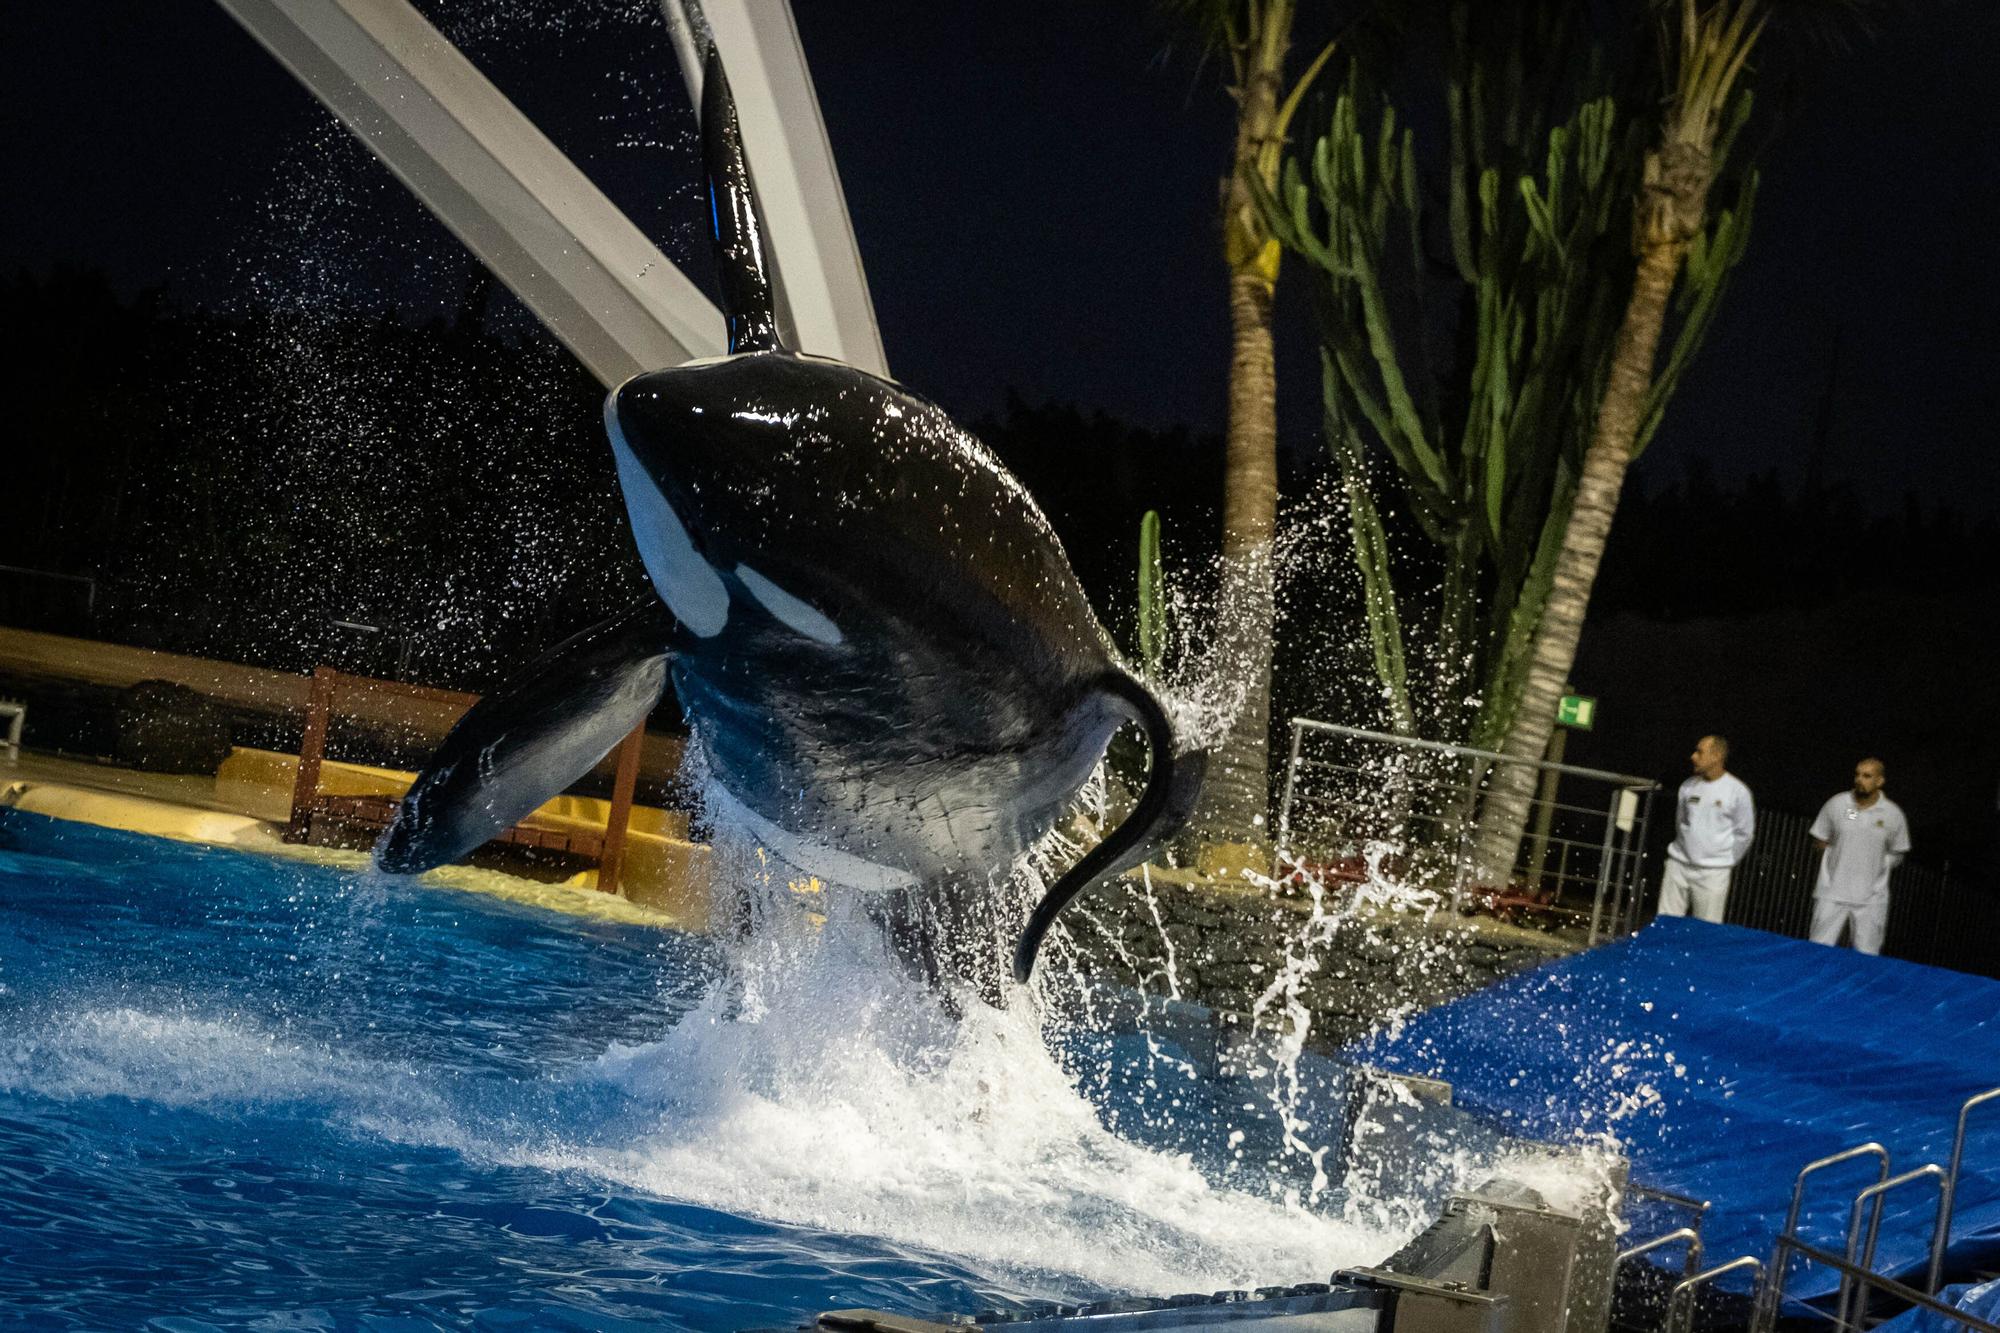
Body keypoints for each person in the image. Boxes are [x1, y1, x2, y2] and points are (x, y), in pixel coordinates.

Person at [1808, 757, 1911, 955]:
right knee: (1816, 951)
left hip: (1871, 899)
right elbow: (1820, 838)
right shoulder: (1836, 804)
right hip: (1831, 893)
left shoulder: (1893, 814)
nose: (1859, 779)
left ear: (1879, 781)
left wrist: (1879, 865)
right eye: (1857, 774)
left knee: (1867, 956)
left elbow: (1898, 851)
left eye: (1867, 776)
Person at [1657, 734, 1756, 923]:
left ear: (1717, 756)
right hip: (1679, 865)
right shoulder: (1687, 786)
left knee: (1705, 930)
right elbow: (1681, 822)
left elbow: (1745, 834)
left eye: (1700, 752)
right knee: (1665, 923)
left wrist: (1723, 860)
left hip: (1713, 873)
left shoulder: (1737, 791)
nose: (1693, 756)